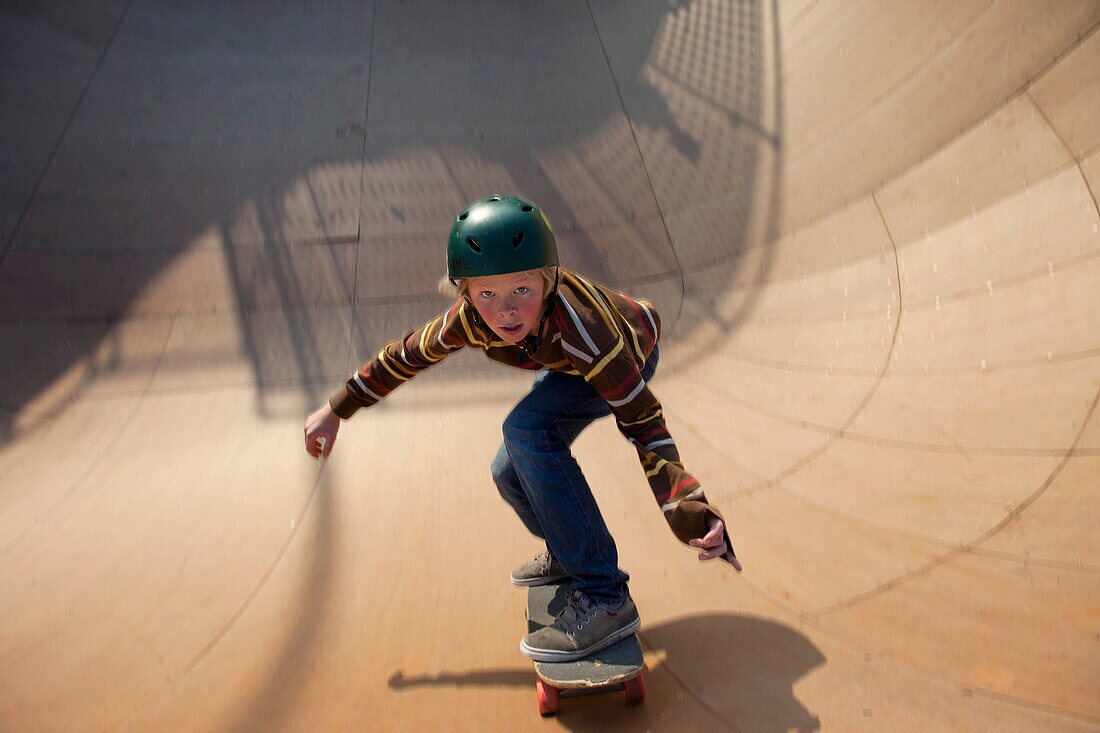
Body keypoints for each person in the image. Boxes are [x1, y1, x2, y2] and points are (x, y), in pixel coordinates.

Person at [304, 195, 740, 663]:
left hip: (624, 353)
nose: (506, 312)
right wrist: (337, 408)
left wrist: (690, 509)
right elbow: (408, 355)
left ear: (548, 282)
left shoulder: (588, 333)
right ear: (465, 294)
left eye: (522, 292)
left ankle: (606, 597)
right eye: (487, 294)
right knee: (507, 471)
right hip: (563, 361)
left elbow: (644, 422)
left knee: (526, 431)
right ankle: (566, 547)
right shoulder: (468, 321)